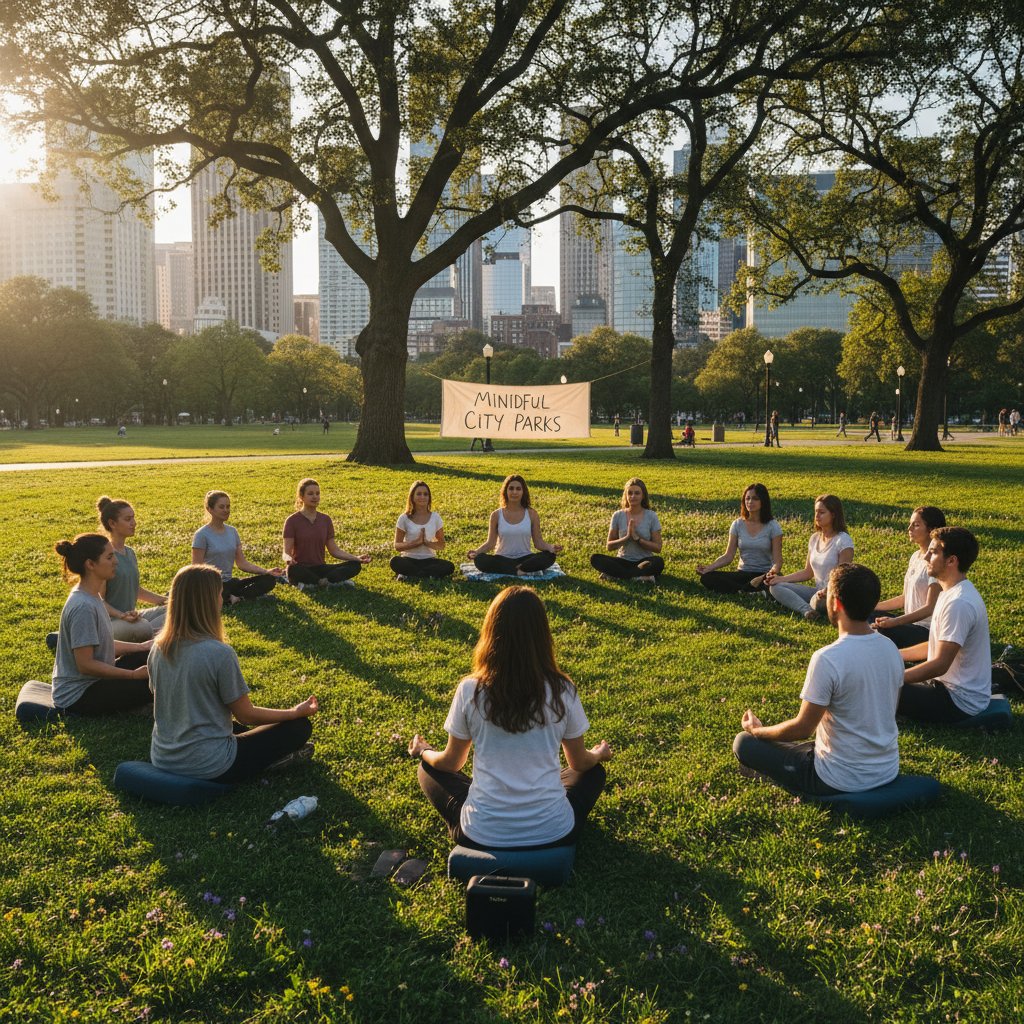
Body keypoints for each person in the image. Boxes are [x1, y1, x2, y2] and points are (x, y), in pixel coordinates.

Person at [408, 586, 612, 851]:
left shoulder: (471, 689)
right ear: (542, 636)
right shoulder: (562, 689)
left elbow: (451, 763)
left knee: (428, 770)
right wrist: (599, 754)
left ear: (491, 633)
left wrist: (424, 752)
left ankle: (493, 807)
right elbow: (580, 762)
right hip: (554, 831)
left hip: (480, 833)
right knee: (592, 772)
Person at [733, 563, 904, 797]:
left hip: (838, 778)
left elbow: (803, 728)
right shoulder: (890, 648)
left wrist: (757, 731)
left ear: (836, 604)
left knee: (744, 743)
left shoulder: (828, 658)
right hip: (886, 769)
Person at [149, 564, 318, 782]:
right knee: (298, 727)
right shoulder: (219, 653)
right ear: (209, 602)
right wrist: (294, 712)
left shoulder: (158, 647)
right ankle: (267, 763)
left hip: (163, 757)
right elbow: (246, 715)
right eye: (220, 594)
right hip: (208, 764)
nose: (222, 600)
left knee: (243, 729)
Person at [898, 527, 992, 724]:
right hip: (943, 686)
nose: (926, 558)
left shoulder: (959, 603)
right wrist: (895, 656)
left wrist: (893, 677)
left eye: (933, 553)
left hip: (958, 701)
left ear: (951, 560)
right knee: (879, 668)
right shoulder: (949, 592)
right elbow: (934, 646)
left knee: (872, 683)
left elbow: (940, 664)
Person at [51, 533, 152, 714]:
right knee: (159, 682)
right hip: (79, 695)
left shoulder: (92, 595)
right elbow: (86, 665)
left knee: (153, 656)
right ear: (90, 564)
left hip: (96, 681)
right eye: (109, 557)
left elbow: (102, 644)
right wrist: (133, 675)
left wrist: (142, 646)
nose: (116, 562)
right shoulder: (83, 606)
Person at [766, 494, 854, 619]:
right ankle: (807, 610)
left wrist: (827, 590)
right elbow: (808, 572)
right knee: (775, 587)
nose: (817, 516)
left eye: (822, 512)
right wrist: (781, 579)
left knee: (818, 602)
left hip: (834, 595)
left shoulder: (843, 541)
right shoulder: (814, 538)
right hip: (817, 592)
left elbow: (842, 577)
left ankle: (808, 608)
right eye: (816, 512)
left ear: (834, 514)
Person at [870, 506, 946, 649]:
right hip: (907, 624)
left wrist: (896, 622)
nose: (909, 528)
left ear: (931, 530)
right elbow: (905, 598)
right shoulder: (915, 557)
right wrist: (871, 608)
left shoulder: (936, 562)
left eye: (916, 525)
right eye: (910, 524)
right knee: (865, 614)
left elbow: (930, 608)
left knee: (881, 629)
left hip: (925, 631)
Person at [191, 491, 284, 605]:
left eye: (228, 506)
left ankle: (234, 597)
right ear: (210, 509)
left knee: (268, 580)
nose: (226, 510)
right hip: (211, 585)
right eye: (221, 507)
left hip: (229, 582)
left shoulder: (232, 531)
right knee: (212, 593)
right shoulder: (201, 535)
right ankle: (234, 597)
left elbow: (242, 563)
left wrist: (266, 571)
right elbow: (196, 569)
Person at [96, 496, 167, 642]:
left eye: (133, 518)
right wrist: (121, 615)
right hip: (110, 623)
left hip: (131, 618)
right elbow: (98, 600)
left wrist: (165, 600)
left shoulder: (130, 552)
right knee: (143, 628)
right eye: (128, 519)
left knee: (176, 611)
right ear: (112, 523)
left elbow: (134, 589)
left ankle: (153, 635)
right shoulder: (105, 557)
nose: (134, 523)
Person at [282, 478, 371, 590]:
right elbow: (286, 552)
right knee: (292, 569)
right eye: (310, 494)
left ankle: (317, 583)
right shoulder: (292, 521)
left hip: (321, 568)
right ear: (301, 497)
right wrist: (288, 559)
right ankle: (329, 582)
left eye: (317, 493)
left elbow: (334, 551)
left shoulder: (325, 520)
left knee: (354, 565)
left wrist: (356, 558)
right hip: (301, 568)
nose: (315, 497)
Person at [468, 474, 563, 575]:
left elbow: (538, 542)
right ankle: (520, 570)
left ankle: (517, 569)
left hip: (525, 558)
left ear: (523, 492)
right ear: (506, 491)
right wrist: (476, 552)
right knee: (480, 560)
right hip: (502, 559)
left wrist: (551, 547)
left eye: (518, 489)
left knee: (550, 556)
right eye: (511, 488)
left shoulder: (532, 514)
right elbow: (490, 543)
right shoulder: (496, 515)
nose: (514, 492)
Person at [696, 483, 782, 594]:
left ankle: (747, 590)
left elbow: (777, 561)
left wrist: (769, 574)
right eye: (747, 498)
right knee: (707, 578)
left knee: (776, 582)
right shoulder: (737, 524)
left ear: (763, 501)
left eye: (755, 499)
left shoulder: (773, 526)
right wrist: (708, 568)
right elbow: (728, 556)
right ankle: (747, 590)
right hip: (743, 573)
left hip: (764, 574)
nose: (750, 502)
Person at [590, 478, 664, 582]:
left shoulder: (651, 516)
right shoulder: (618, 515)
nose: (633, 496)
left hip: (643, 562)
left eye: (637, 493)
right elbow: (609, 546)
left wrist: (637, 539)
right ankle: (638, 577)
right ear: (626, 495)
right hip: (622, 560)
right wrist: (627, 537)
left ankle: (616, 575)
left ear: (643, 496)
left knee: (658, 562)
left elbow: (658, 548)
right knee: (595, 558)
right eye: (630, 493)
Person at [390, 480, 455, 580]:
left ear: (429, 498)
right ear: (412, 497)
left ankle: (412, 574)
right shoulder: (404, 518)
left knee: (449, 566)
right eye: (419, 494)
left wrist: (426, 542)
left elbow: (441, 545)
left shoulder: (435, 517)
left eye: (425, 494)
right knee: (395, 561)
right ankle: (427, 575)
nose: (422, 497)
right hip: (409, 559)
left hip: (429, 560)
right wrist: (416, 543)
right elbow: (397, 546)